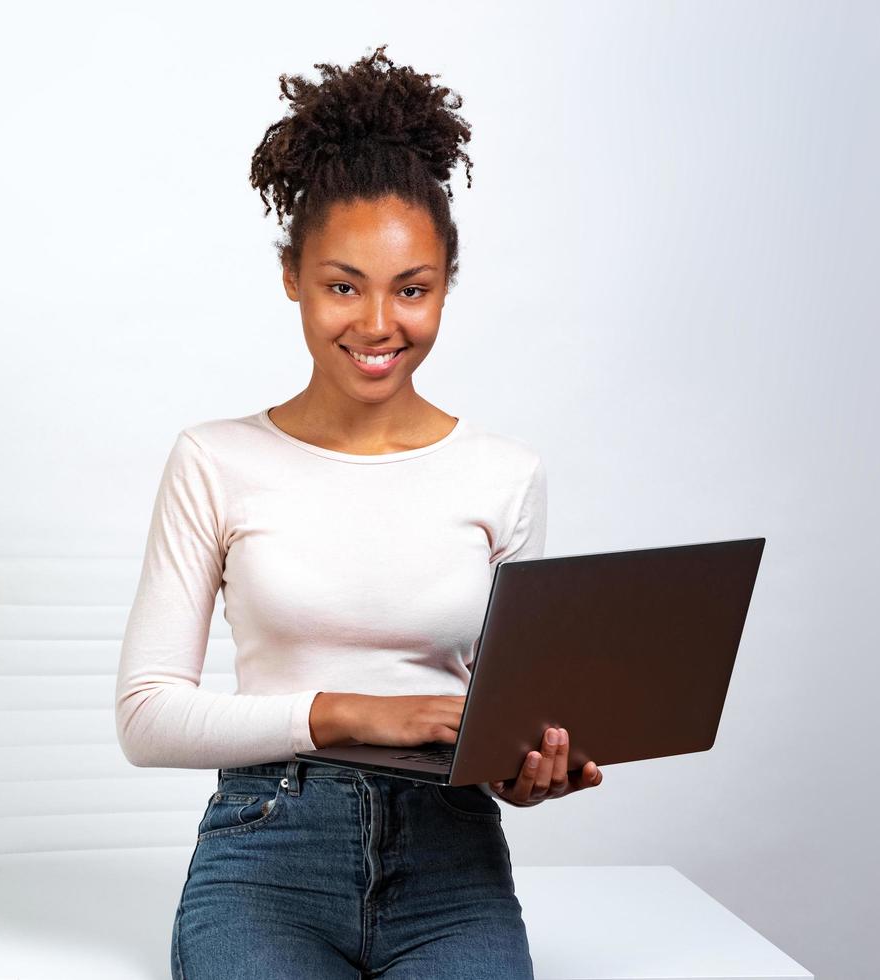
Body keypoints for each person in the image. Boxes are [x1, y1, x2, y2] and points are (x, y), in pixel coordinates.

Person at [114, 45, 604, 979]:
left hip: (450, 859)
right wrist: (366, 714)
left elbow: (502, 711)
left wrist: (529, 768)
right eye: (343, 285)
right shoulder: (213, 460)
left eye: (411, 289)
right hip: (266, 852)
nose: (378, 325)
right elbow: (147, 718)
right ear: (291, 274)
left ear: (445, 284)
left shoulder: (505, 473)